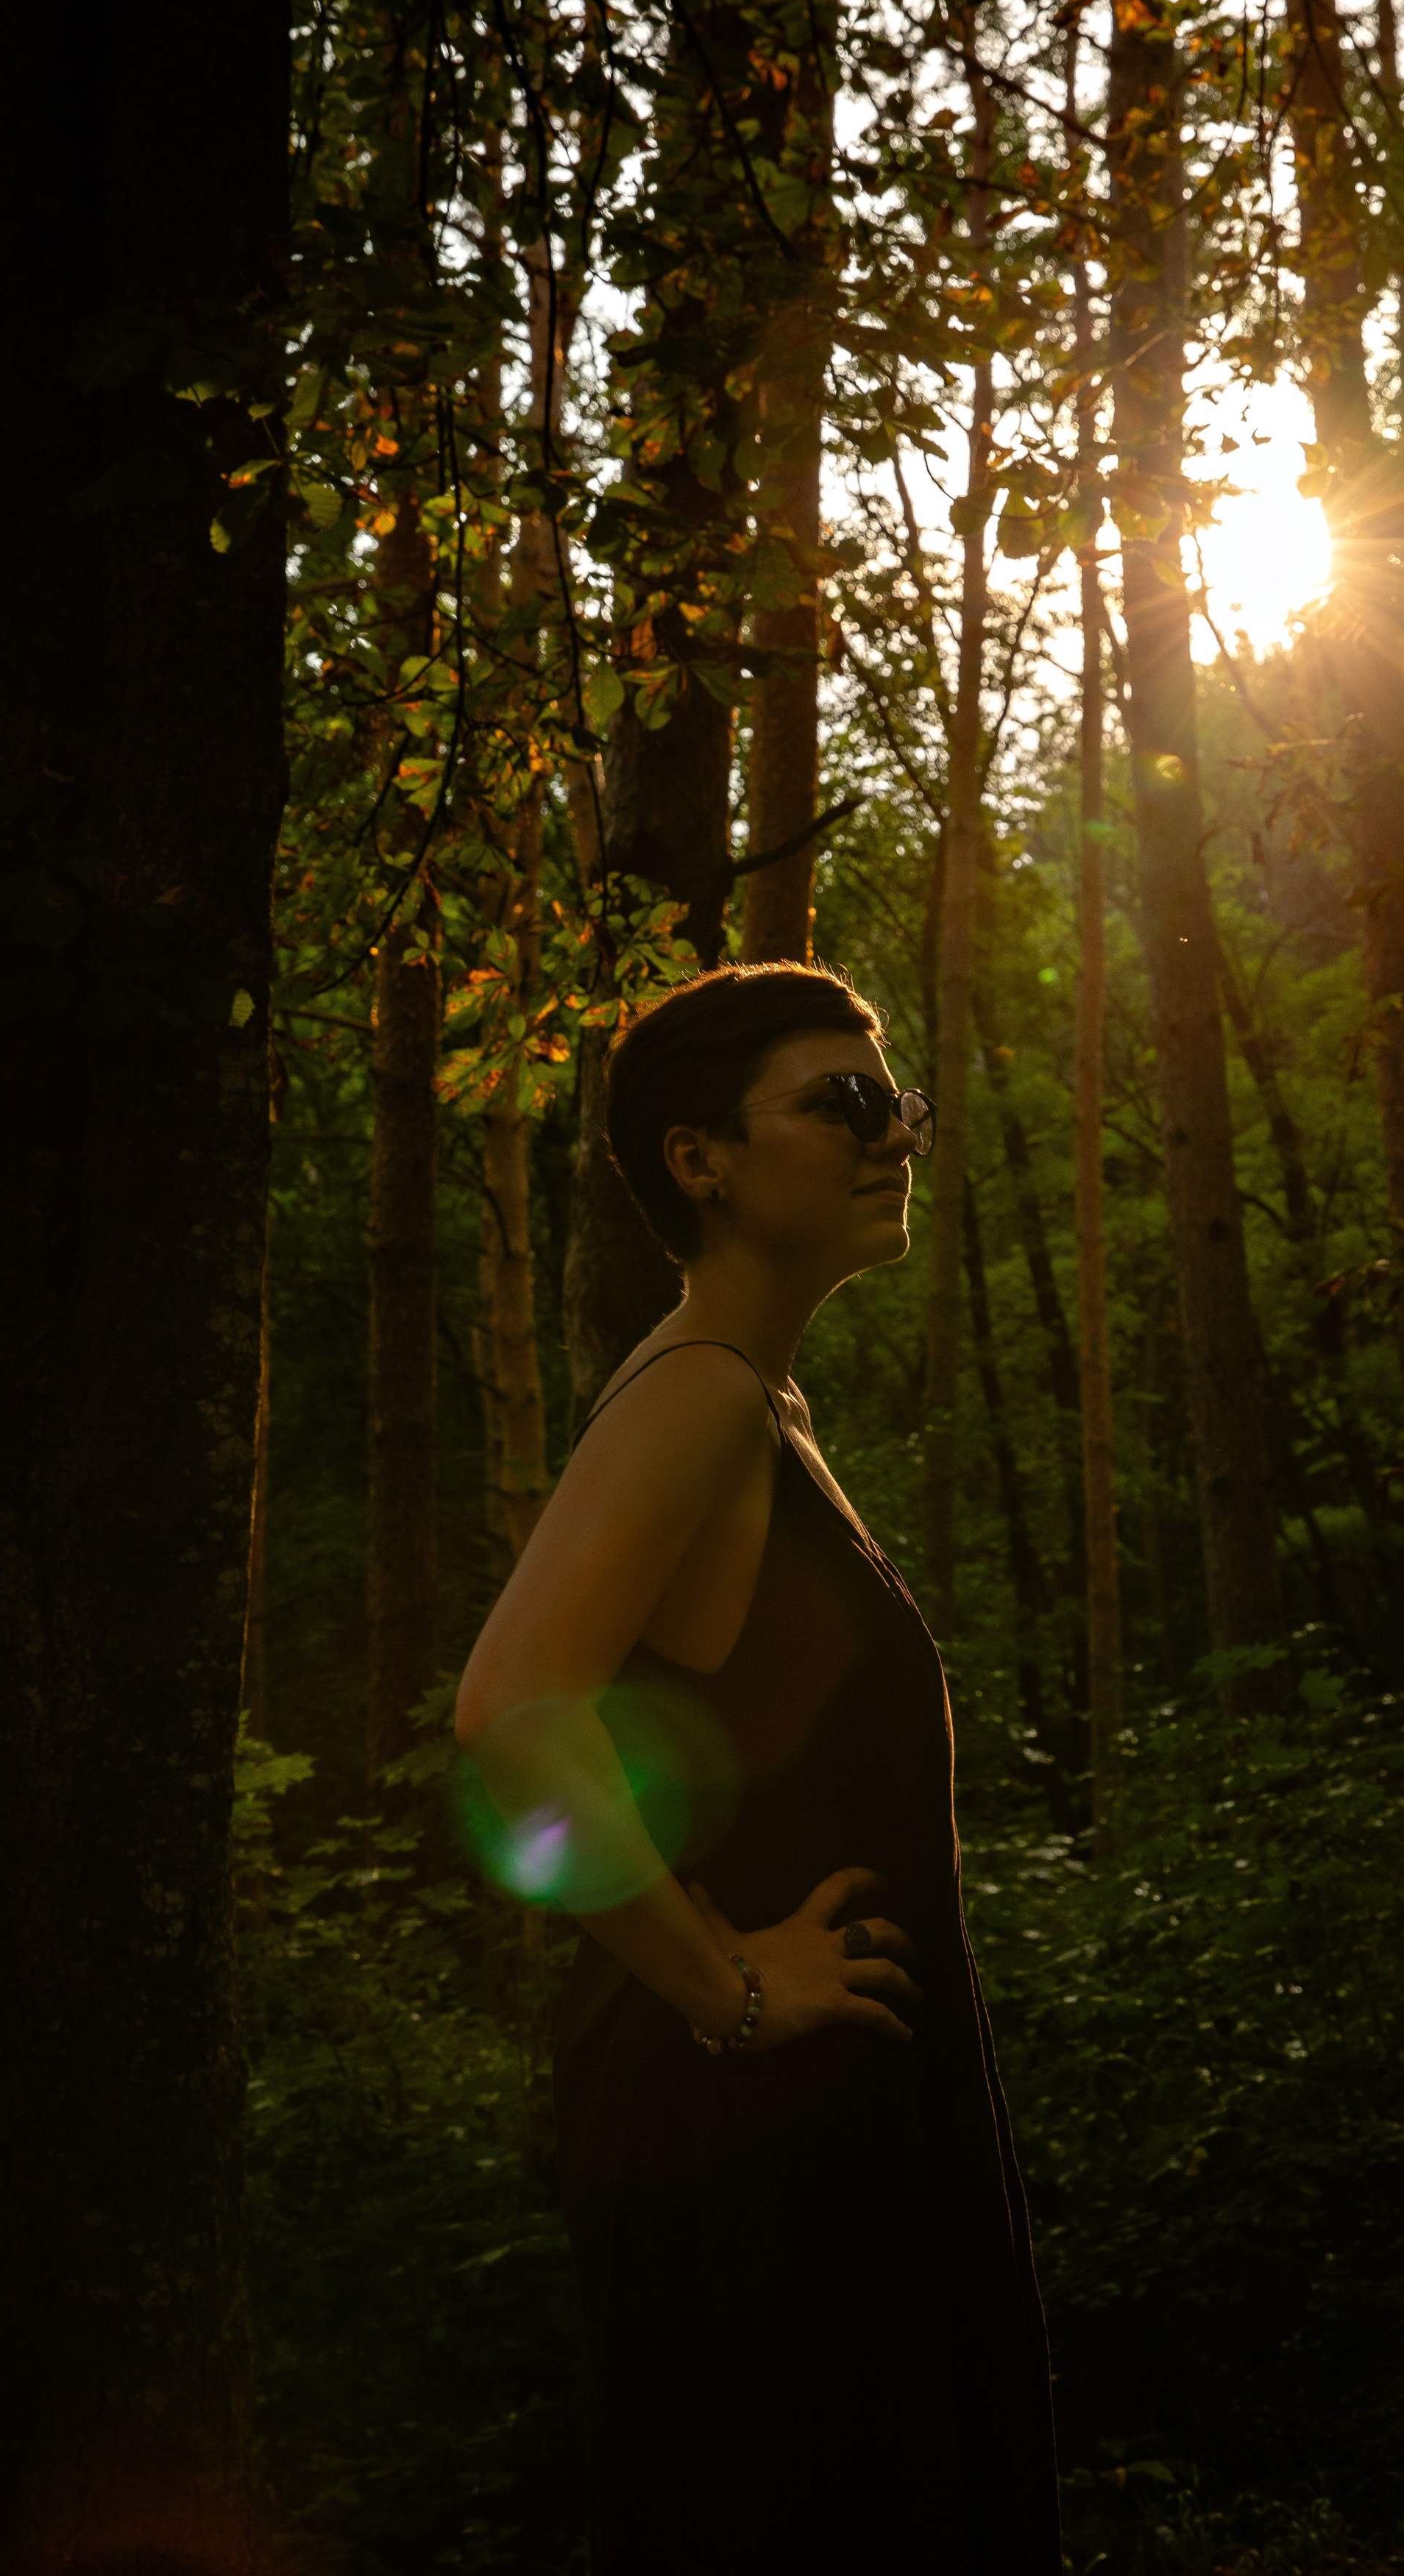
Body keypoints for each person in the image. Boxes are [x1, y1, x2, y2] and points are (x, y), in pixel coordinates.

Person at [455, 962, 1061, 2575]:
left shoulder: (756, 1403)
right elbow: (513, 1712)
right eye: (839, 1104)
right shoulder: (699, 1396)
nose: (893, 1137)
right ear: (696, 1158)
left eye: (899, 1104)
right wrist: (720, 1982)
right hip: (754, 2139)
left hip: (821, 2123)